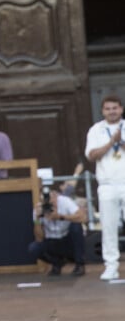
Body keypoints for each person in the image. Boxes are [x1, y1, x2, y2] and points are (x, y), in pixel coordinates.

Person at [85, 95, 125, 280]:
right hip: (107, 185)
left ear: (121, 109)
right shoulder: (96, 130)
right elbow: (92, 155)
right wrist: (111, 142)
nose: (111, 111)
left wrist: (121, 142)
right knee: (108, 227)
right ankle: (111, 265)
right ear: (102, 111)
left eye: (114, 108)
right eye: (108, 108)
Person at [28, 185, 86, 276]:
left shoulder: (65, 201)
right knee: (34, 248)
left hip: (68, 239)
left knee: (76, 226)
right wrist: (37, 220)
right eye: (46, 202)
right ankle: (57, 263)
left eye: (52, 200)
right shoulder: (39, 209)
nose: (50, 204)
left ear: (55, 196)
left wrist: (61, 217)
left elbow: (82, 217)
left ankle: (80, 264)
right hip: (52, 240)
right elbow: (39, 238)